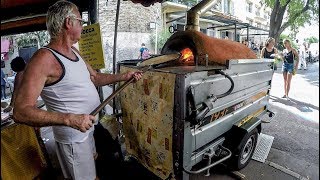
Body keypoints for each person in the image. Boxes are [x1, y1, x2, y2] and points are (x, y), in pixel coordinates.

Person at [13, 1, 143, 180]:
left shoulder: (75, 52)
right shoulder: (43, 59)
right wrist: (69, 119)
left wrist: (124, 77)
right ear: (69, 22)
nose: (82, 26)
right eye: (80, 21)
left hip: (86, 129)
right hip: (73, 138)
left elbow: (95, 78)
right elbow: (21, 111)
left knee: (92, 173)